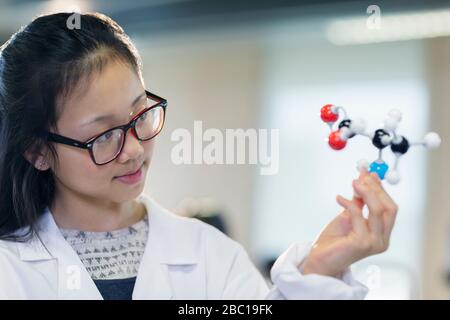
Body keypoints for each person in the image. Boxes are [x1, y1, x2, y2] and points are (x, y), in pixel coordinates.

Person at [0, 12, 398, 300]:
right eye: (104, 135)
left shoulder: (209, 253)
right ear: (38, 152)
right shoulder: (9, 269)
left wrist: (317, 271)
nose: (135, 148)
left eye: (140, 115)